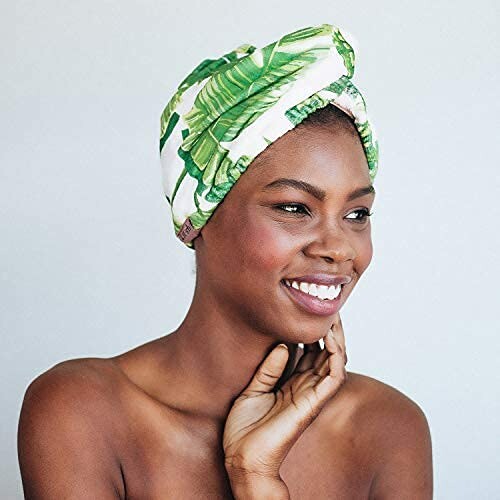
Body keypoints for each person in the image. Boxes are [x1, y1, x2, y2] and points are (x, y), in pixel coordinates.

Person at [17, 24, 433, 499]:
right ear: (200, 217)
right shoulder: (82, 411)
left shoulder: (387, 429)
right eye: (294, 208)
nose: (339, 248)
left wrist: (256, 479)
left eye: (357, 213)